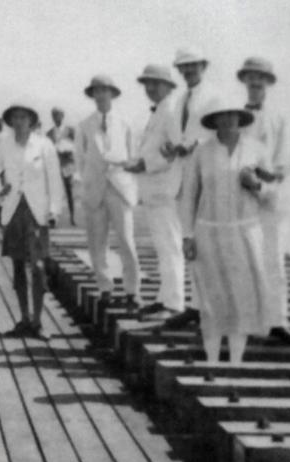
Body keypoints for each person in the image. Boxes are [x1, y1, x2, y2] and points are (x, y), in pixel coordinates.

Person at [181, 97, 277, 364]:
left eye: (232, 114)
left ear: (240, 118)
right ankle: (211, 361)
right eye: (221, 116)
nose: (227, 120)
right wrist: (187, 236)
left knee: (242, 299)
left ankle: (235, 363)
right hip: (208, 232)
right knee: (211, 300)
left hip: (244, 232)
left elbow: (273, 197)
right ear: (213, 121)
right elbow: (189, 196)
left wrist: (256, 185)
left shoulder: (257, 150)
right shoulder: (202, 152)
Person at [237, 57, 290, 345]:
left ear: (268, 82)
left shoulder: (281, 116)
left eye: (261, 78)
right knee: (245, 260)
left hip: (272, 198)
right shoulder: (237, 116)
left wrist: (260, 181)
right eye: (250, 77)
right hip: (242, 199)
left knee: (274, 260)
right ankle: (249, 321)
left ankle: (278, 322)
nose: (255, 82)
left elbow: (284, 162)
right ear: (244, 81)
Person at [0, 102, 65, 341]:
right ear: (10, 122)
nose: (19, 122)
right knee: (18, 266)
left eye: (24, 117)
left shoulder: (44, 144)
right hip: (14, 211)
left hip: (37, 213)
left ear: (32, 121)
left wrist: (54, 210)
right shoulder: (5, 145)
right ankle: (24, 319)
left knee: (38, 268)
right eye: (15, 118)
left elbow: (55, 180)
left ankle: (39, 322)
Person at [120, 64, 186, 321]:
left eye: (156, 83)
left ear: (169, 86)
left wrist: (144, 164)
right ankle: (164, 299)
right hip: (154, 191)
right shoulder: (160, 111)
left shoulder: (170, 111)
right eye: (147, 83)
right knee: (163, 247)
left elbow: (174, 151)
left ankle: (174, 304)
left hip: (166, 191)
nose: (150, 88)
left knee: (170, 247)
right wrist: (139, 161)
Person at [75, 75, 141, 312]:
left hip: (120, 188)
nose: (101, 95)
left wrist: (124, 175)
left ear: (113, 94)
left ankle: (132, 291)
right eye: (96, 91)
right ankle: (105, 288)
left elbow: (135, 157)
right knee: (97, 242)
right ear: (92, 95)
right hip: (95, 190)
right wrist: (91, 181)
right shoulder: (84, 125)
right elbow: (79, 160)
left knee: (126, 240)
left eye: (105, 91)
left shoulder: (126, 122)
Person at [166, 47, 220, 329]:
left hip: (206, 177)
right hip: (183, 177)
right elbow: (180, 136)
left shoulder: (214, 98)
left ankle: (207, 308)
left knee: (206, 244)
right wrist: (173, 148)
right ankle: (195, 306)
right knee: (188, 240)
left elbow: (216, 134)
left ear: (203, 66)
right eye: (183, 67)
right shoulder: (180, 100)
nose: (187, 71)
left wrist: (192, 145)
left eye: (192, 66)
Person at [46, 107, 77, 226]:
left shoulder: (70, 130)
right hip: (55, 164)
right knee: (54, 192)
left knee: (69, 191)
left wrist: (70, 150)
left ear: (62, 116)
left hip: (68, 164)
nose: (56, 118)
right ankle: (54, 218)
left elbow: (77, 145)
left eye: (58, 115)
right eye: (54, 116)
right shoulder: (49, 133)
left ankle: (72, 217)